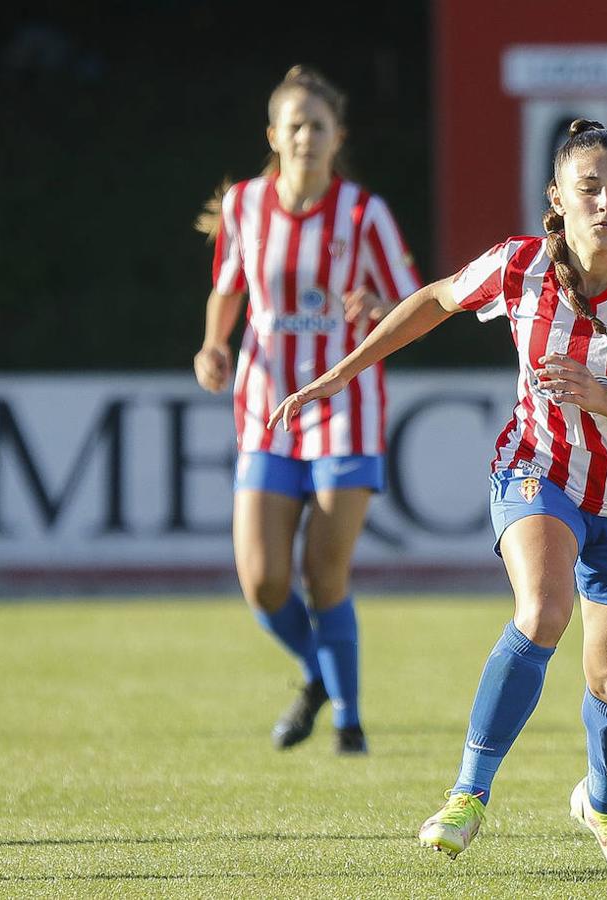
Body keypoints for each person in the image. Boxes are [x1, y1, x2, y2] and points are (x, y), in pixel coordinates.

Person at [268, 119, 607, 872]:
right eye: (589, 188)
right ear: (558, 199)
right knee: (542, 610)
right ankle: (468, 794)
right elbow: (438, 298)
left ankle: (605, 803)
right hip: (538, 467)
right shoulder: (521, 269)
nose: (606, 202)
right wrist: (346, 369)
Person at [193, 66, 421, 756]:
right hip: (266, 412)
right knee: (262, 583)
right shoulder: (245, 208)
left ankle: (349, 721)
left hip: (345, 409)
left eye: (317, 126)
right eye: (293, 125)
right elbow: (229, 289)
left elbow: (415, 301)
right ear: (273, 135)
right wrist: (212, 342)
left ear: (336, 137)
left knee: (325, 574)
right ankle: (320, 676)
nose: (305, 137)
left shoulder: (362, 214)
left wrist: (379, 308)